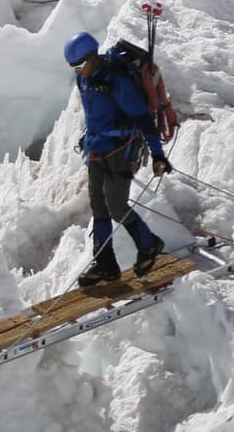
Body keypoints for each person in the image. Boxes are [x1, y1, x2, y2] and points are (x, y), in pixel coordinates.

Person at [63, 30, 171, 287]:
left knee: (116, 206)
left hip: (120, 152)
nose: (77, 72)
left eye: (79, 65)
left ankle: (149, 244)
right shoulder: (85, 80)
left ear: (92, 57)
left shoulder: (116, 81)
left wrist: (157, 154)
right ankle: (105, 266)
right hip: (96, 150)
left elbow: (143, 119)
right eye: (73, 68)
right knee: (99, 209)